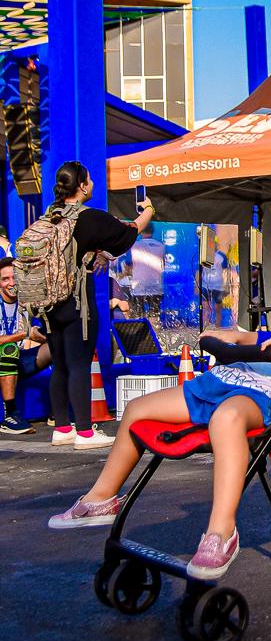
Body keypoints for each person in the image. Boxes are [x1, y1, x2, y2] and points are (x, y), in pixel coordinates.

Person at [48, 251, 271, 580]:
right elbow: (263, 337)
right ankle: (102, 496)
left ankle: (221, 531)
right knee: (138, 409)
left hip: (264, 398)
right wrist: (232, 336)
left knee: (226, 418)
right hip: (224, 382)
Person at [39, 161, 153, 448]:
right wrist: (148, 211)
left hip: (48, 302)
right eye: (89, 180)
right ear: (81, 186)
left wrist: (96, 252)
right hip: (77, 299)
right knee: (80, 363)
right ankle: (85, 433)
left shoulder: (49, 217)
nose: (92, 184)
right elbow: (128, 233)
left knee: (59, 364)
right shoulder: (88, 217)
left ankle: (62, 428)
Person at [0, 257, 51, 434]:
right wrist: (24, 335)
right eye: (5, 279)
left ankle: (58, 410)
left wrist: (41, 337)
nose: (11, 283)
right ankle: (10, 415)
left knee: (56, 347)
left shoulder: (27, 302)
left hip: (18, 362)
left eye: (14, 278)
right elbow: (24, 335)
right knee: (9, 349)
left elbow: (37, 332)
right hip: (5, 358)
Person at [128, 224, 164, 323]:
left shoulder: (135, 245)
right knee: (155, 315)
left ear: (141, 232)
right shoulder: (161, 246)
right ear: (152, 231)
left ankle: (141, 332)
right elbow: (163, 265)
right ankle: (155, 331)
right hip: (156, 286)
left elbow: (128, 265)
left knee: (138, 316)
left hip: (139, 287)